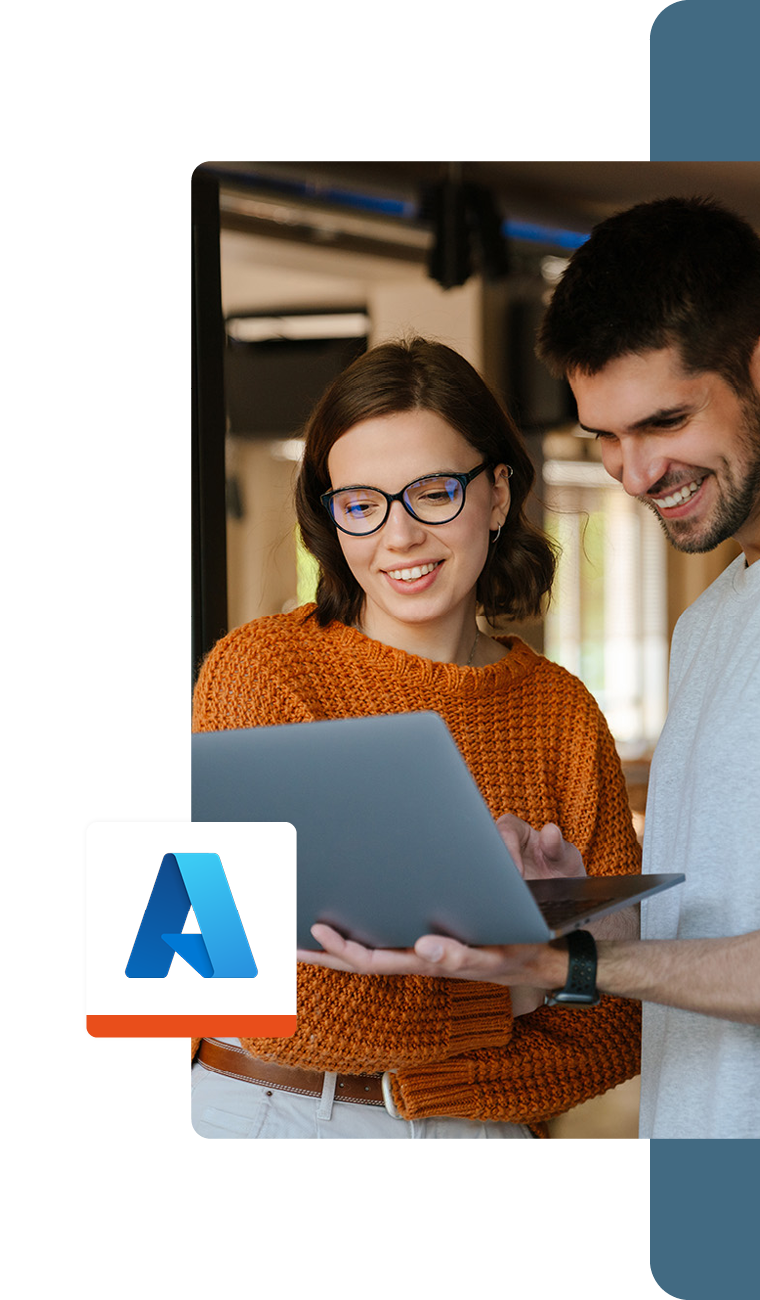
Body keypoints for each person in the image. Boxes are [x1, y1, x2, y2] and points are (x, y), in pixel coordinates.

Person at [305, 197, 760, 1140]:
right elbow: (718, 940)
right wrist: (571, 922)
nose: (634, 471)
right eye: (604, 437)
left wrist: (574, 971)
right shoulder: (712, 621)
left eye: (663, 421)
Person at [190, 337, 642, 1139]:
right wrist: (529, 982)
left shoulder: (561, 714)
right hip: (277, 1119)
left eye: (433, 492)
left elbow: (619, 1027)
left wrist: (541, 984)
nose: (397, 537)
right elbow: (243, 990)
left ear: (498, 494)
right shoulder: (266, 673)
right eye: (361, 503)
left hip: (484, 1140)